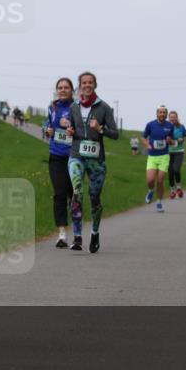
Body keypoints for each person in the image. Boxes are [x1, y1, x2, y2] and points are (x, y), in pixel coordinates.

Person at [65, 71, 119, 253]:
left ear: (95, 85)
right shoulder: (74, 107)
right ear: (80, 86)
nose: (87, 85)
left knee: (94, 197)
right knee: (77, 191)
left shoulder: (104, 107)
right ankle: (77, 236)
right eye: (84, 83)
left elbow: (115, 134)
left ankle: (95, 232)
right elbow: (71, 127)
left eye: (90, 82)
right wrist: (70, 131)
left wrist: (100, 128)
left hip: (96, 160)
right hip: (76, 155)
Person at [43, 78, 75, 248]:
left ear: (72, 90)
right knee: (59, 193)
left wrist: (73, 131)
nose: (63, 90)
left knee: (74, 195)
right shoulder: (52, 107)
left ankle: (77, 231)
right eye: (60, 87)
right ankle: (62, 234)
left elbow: (84, 131)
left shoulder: (77, 108)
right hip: (56, 156)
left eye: (66, 87)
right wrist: (48, 131)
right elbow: (48, 126)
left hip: (74, 157)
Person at [142, 106, 174, 212]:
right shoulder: (150, 124)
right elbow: (143, 137)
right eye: (160, 112)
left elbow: (172, 141)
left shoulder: (170, 126)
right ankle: (151, 190)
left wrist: (170, 141)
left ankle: (159, 202)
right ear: (157, 114)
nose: (162, 114)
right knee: (150, 180)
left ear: (166, 114)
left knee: (160, 180)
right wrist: (147, 145)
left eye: (164, 112)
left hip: (164, 156)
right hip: (152, 156)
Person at [167, 110, 186, 199]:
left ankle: (178, 188)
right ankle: (172, 190)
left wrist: (182, 139)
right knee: (170, 173)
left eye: (174, 117)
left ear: (177, 118)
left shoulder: (181, 126)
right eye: (171, 117)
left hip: (179, 151)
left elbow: (185, 136)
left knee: (176, 169)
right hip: (168, 152)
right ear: (169, 118)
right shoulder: (166, 127)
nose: (172, 119)